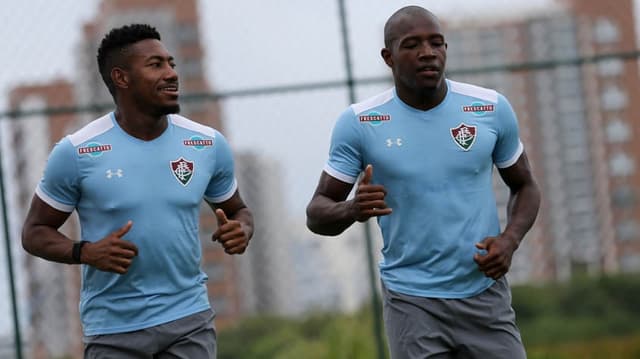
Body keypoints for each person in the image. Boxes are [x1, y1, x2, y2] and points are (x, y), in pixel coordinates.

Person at [306, 6, 540, 359]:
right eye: (412, 44)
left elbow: (525, 187)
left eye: (436, 43)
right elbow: (317, 212)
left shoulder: (489, 108)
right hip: (412, 302)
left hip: (483, 293)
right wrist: (353, 208)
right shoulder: (360, 123)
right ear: (389, 57)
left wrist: (510, 240)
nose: (427, 52)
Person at [21, 24, 253, 358]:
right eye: (156, 65)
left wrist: (241, 229)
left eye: (171, 63)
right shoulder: (77, 151)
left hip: (188, 320)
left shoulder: (206, 143)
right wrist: (84, 252)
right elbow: (34, 232)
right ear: (121, 78)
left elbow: (239, 211)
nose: (172, 74)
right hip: (113, 330)